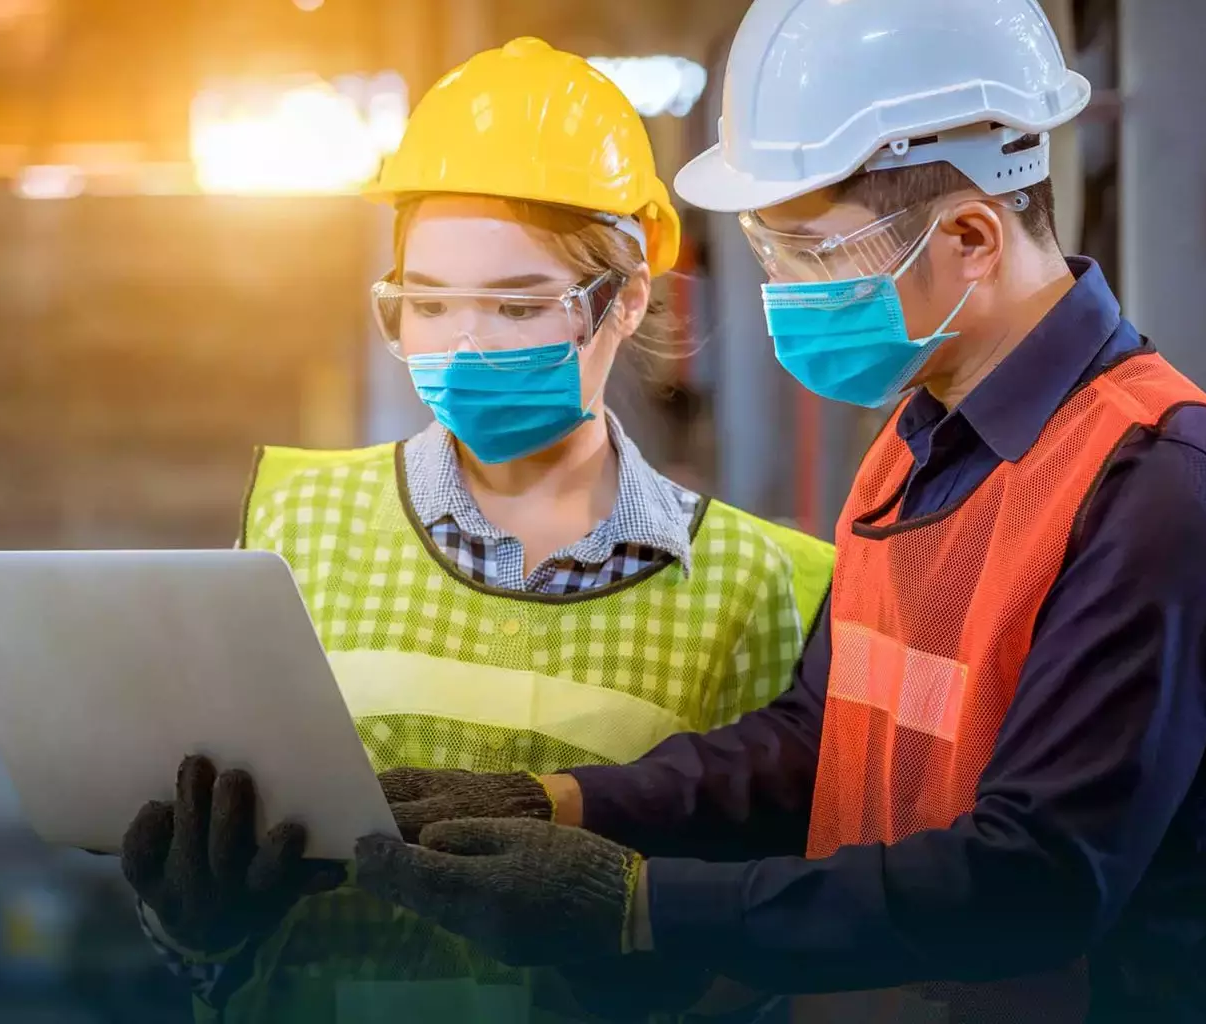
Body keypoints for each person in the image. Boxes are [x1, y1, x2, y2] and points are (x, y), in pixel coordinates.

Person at [348, 3, 1206, 1022]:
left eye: (809, 252)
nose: (781, 289)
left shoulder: (1158, 483)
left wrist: (639, 906)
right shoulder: (914, 444)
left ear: (969, 236)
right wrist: (565, 802)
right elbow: (820, 737)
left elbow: (1037, 879)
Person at [115, 37, 834, 1024]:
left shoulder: (766, 587)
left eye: (513, 304)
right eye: (428, 302)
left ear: (624, 301)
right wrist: (197, 928)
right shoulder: (296, 525)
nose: (460, 343)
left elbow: (787, 938)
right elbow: (225, 917)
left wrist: (652, 958)